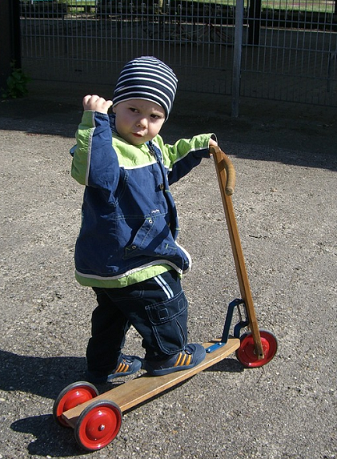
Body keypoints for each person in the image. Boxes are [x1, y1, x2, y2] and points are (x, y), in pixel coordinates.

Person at [71, 56, 218, 383]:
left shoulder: (150, 147)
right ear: (115, 106)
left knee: (113, 315)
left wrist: (199, 146)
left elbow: (168, 165)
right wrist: (94, 122)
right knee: (166, 298)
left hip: (112, 260)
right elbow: (92, 171)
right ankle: (167, 353)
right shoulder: (106, 146)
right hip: (131, 256)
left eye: (154, 116)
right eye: (133, 110)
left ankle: (102, 365)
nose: (142, 123)